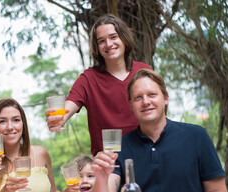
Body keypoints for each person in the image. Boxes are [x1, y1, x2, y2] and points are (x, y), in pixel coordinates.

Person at [90, 68, 228, 192]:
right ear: (131, 105)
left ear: (166, 98)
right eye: (138, 98)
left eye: (152, 95)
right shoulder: (121, 146)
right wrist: (101, 178)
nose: (146, 101)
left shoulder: (197, 136)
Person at [45, 13, 152, 156]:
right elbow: (68, 106)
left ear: (124, 39)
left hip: (146, 155)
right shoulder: (88, 78)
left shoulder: (144, 71)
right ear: (97, 47)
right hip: (108, 164)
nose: (108, 44)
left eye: (113, 37)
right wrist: (59, 118)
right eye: (101, 41)